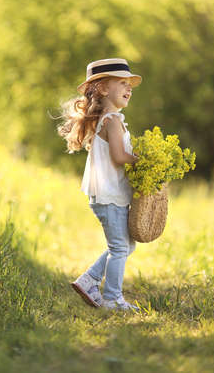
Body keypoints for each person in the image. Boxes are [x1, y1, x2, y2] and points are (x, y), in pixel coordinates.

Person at [57, 58, 142, 310]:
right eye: (122, 83)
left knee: (126, 245)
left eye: (130, 85)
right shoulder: (112, 120)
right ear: (104, 88)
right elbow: (118, 156)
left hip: (109, 194)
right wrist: (142, 161)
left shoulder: (109, 117)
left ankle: (89, 280)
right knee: (119, 248)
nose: (129, 88)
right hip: (109, 195)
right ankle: (112, 298)